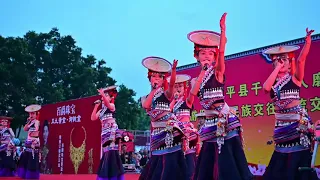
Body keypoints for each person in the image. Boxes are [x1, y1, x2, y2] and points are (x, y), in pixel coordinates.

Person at [188, 13, 253, 180]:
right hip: (208, 125)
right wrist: (203, 72)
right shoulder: (195, 79)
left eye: (210, 53)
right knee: (208, 163)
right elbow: (193, 94)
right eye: (203, 53)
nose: (207, 56)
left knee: (227, 161)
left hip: (224, 122)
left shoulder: (218, 73)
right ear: (197, 56)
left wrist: (223, 30)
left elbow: (222, 51)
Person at [262, 28, 318, 180]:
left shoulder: (295, 79)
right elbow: (266, 88)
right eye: (276, 59)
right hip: (281, 130)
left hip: (297, 127)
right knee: (281, 162)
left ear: (290, 62)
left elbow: (301, 60)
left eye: (284, 59)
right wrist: (278, 67)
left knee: (297, 161)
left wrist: (307, 43)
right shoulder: (273, 85)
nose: (280, 62)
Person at [139, 56, 187, 180]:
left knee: (170, 161)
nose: (156, 79)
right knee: (157, 161)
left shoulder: (166, 94)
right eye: (154, 76)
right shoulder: (145, 97)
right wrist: (154, 90)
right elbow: (146, 105)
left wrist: (174, 70)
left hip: (169, 132)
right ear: (149, 79)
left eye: (160, 76)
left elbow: (171, 86)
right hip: (156, 134)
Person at [168, 74, 200, 180]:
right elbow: (167, 113)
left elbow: (192, 94)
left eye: (180, 86)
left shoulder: (187, 101)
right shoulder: (171, 104)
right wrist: (174, 100)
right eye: (175, 86)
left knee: (189, 165)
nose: (178, 89)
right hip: (175, 135)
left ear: (184, 88)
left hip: (187, 135)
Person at [91, 85, 125, 180]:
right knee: (106, 152)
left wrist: (102, 94)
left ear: (111, 98)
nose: (104, 97)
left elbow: (108, 104)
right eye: (103, 96)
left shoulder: (112, 106)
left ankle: (113, 175)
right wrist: (96, 106)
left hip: (112, 132)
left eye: (106, 96)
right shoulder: (101, 110)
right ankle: (108, 174)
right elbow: (93, 118)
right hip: (104, 133)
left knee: (111, 151)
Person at [17, 104, 41, 179]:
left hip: (34, 141)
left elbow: (36, 131)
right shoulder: (30, 122)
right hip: (28, 142)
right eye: (30, 113)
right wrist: (29, 121)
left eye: (33, 113)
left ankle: (32, 175)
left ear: (36, 114)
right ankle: (24, 174)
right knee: (25, 159)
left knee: (32, 160)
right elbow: (25, 129)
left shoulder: (37, 122)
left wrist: (33, 140)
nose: (31, 115)